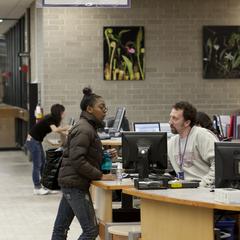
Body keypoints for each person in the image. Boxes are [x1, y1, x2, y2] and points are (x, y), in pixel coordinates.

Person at [51, 87, 116, 240]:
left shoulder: (87, 127)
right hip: (75, 185)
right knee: (91, 230)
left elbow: (83, 155)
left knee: (60, 229)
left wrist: (104, 154)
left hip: (72, 183)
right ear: (89, 109)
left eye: (105, 107)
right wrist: (100, 175)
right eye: (101, 107)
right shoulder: (84, 129)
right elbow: (77, 160)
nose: (105, 110)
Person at [168, 101, 219, 187]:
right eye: (170, 117)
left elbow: (218, 164)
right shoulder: (172, 142)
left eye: (175, 118)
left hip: (204, 189)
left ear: (187, 123)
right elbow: (164, 166)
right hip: (182, 188)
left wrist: (202, 184)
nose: (170, 122)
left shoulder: (202, 136)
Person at [25, 104, 69, 195]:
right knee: (37, 165)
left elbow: (59, 130)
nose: (64, 113)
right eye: (63, 112)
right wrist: (67, 127)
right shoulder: (50, 118)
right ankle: (37, 187)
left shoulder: (54, 120)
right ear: (59, 112)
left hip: (36, 141)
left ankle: (46, 186)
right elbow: (55, 130)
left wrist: (68, 133)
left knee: (43, 163)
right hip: (32, 141)